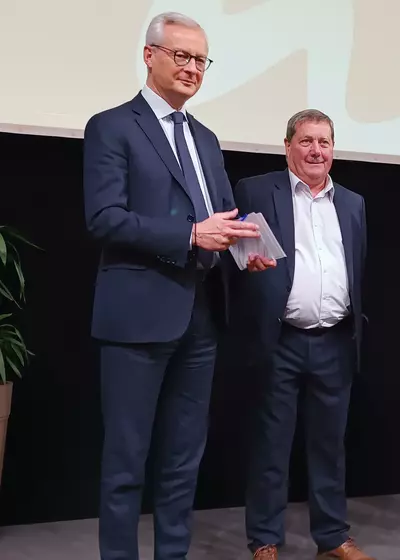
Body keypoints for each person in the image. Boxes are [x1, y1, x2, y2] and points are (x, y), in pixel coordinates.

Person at [82, 12, 260, 560]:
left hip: (201, 317)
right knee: (125, 463)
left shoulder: (204, 137)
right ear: (149, 56)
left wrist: (244, 249)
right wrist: (189, 234)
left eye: (200, 59)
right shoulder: (111, 126)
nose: (191, 68)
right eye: (180, 56)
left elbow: (219, 218)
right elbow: (104, 217)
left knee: (184, 462)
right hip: (136, 316)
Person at [231, 109, 371, 560]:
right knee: (271, 446)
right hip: (280, 340)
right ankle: (265, 541)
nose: (316, 151)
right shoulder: (256, 190)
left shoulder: (352, 203)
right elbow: (242, 260)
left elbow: (357, 268)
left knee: (330, 448)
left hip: (335, 341)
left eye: (324, 142)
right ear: (288, 145)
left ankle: (332, 538)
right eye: (307, 141)